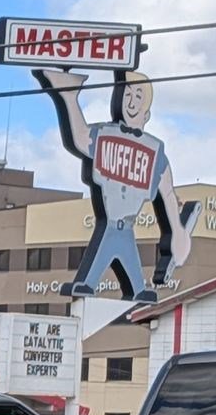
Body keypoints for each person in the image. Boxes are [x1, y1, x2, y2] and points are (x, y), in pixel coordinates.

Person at [35, 67, 199, 302]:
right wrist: (68, 97)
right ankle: (110, 286)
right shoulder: (107, 134)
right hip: (110, 222)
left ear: (147, 113)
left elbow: (168, 195)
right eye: (128, 94)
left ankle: (129, 289)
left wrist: (177, 233)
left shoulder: (155, 152)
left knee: (124, 257)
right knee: (108, 253)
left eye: (138, 97)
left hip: (127, 226)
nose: (131, 102)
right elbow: (80, 138)